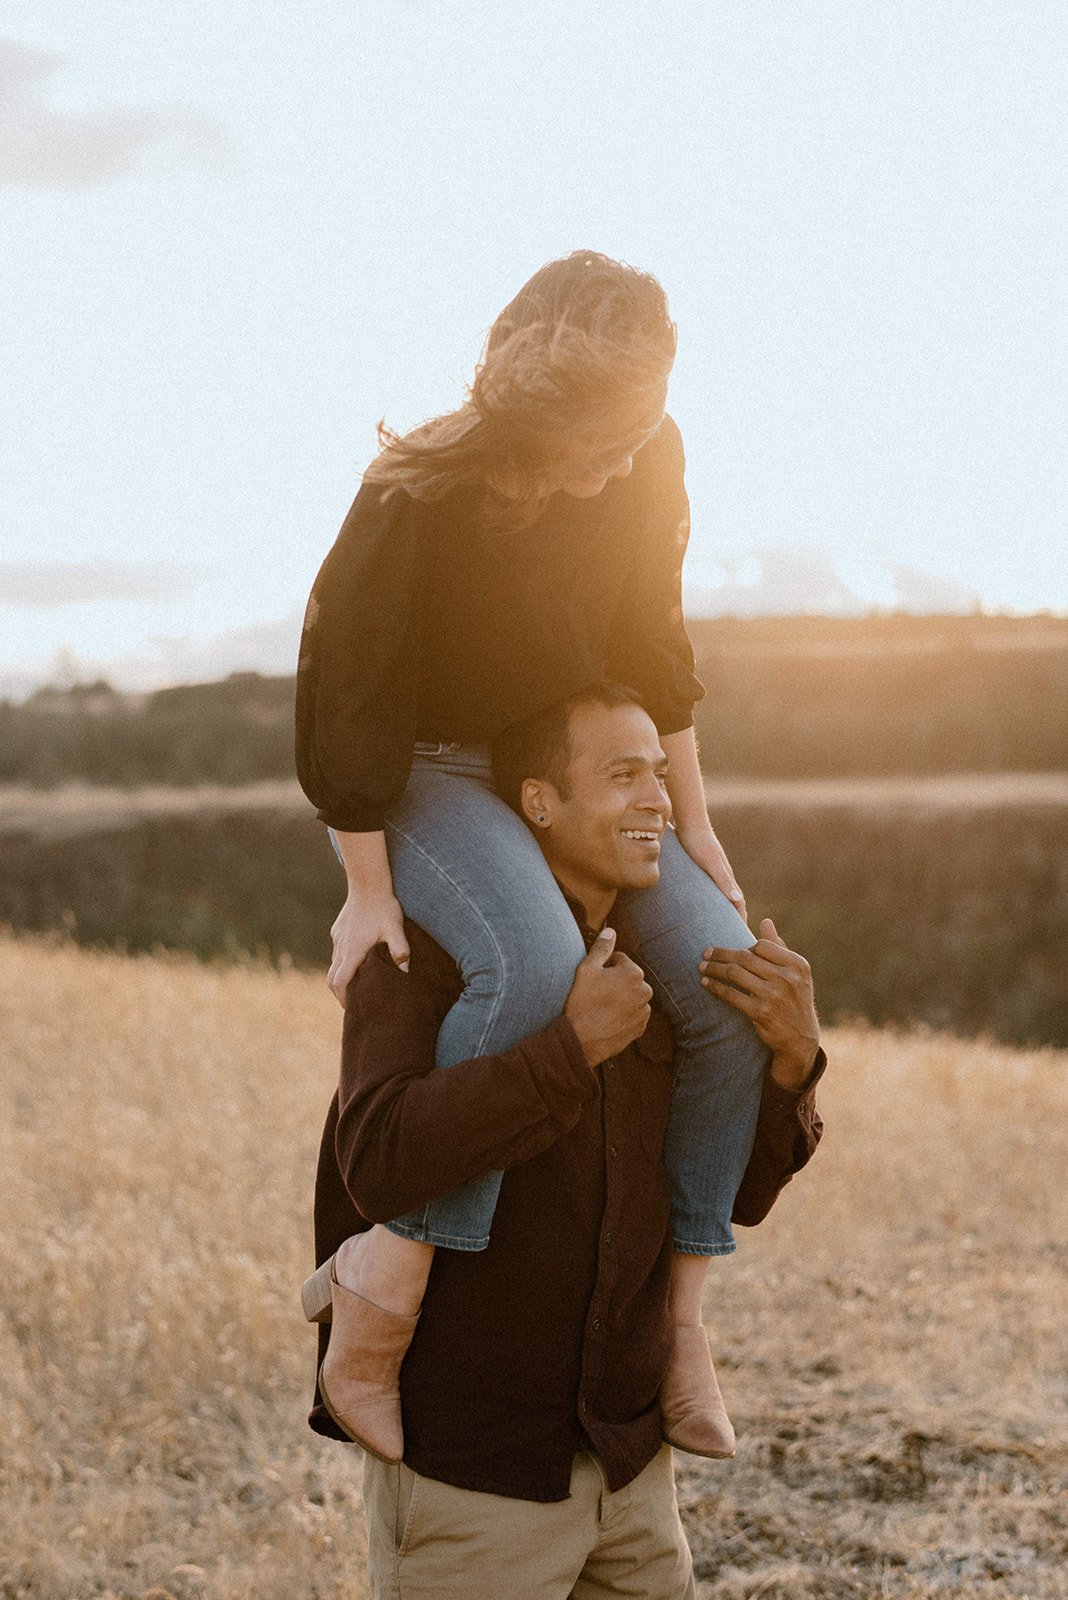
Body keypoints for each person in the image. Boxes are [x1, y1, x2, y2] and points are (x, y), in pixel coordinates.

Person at [296, 250, 771, 1456]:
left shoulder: (647, 449)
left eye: (636, 436)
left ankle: (679, 1319)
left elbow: (655, 649)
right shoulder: (413, 489)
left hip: (563, 761)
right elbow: (345, 688)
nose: (619, 467)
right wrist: (364, 891)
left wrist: (698, 827)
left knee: (722, 984)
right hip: (433, 767)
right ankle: (379, 1294)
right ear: (533, 421)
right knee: (539, 964)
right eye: (595, 449)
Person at [307, 684, 825, 1600]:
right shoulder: (426, 953)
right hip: (475, 1480)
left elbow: (725, 1199)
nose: (658, 802)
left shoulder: (676, 973)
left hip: (630, 1469)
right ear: (539, 802)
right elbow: (378, 1163)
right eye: (622, 776)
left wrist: (791, 1064)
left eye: (660, 776)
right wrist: (567, 1049)